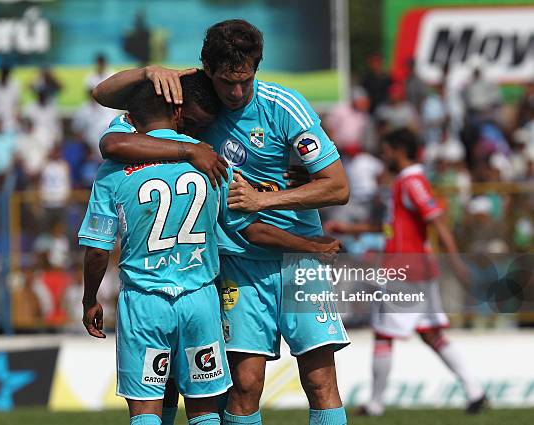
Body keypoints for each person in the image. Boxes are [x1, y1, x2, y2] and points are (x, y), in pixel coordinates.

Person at [93, 19, 350, 425]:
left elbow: (337, 188)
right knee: (244, 386)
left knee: (320, 380)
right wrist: (147, 74)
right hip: (239, 261)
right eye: (227, 82)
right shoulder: (189, 102)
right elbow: (104, 105)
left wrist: (269, 197)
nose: (236, 93)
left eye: (245, 81)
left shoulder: (285, 106)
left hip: (298, 258)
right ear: (206, 69)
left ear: (256, 68)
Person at [326, 128, 487, 416]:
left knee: (383, 335)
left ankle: (375, 403)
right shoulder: (403, 182)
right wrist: (350, 229)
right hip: (417, 269)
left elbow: (436, 220)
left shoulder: (412, 181)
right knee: (431, 334)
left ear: (399, 150)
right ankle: (475, 391)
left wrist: (457, 262)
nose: (383, 155)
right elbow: (393, 227)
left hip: (406, 270)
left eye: (386, 150)